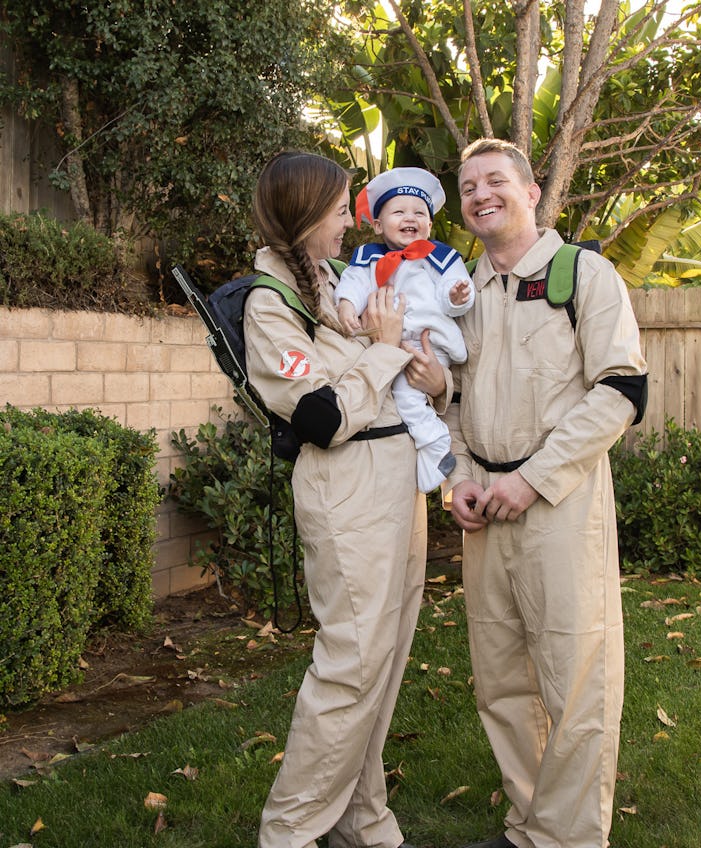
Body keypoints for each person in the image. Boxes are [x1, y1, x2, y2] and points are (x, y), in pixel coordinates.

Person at [445, 138, 648, 848]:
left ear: (532, 193)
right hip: (484, 508)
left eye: (496, 181)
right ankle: (527, 825)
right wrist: (459, 479)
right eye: (468, 186)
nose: (481, 195)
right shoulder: (459, 293)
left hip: (558, 501)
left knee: (574, 677)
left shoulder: (581, 274)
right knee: (500, 680)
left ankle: (567, 839)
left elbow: (622, 389)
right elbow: (448, 399)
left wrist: (533, 478)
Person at [244, 150, 445, 848]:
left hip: (395, 475)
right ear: (304, 217)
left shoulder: (330, 280)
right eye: (338, 210)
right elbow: (321, 417)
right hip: (347, 485)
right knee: (352, 661)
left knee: (385, 656)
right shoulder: (271, 304)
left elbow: (373, 372)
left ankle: (360, 815)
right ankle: (292, 831)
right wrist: (386, 350)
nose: (348, 221)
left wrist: (417, 367)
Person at [335, 167, 475, 493]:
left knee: (407, 396)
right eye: (399, 211)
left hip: (429, 342)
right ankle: (431, 447)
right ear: (378, 224)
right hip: (389, 344)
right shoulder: (368, 257)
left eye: (419, 212)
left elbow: (456, 287)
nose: (409, 217)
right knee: (400, 398)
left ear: (428, 224)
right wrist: (345, 304)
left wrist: (456, 296)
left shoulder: (439, 255)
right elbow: (354, 283)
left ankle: (436, 443)